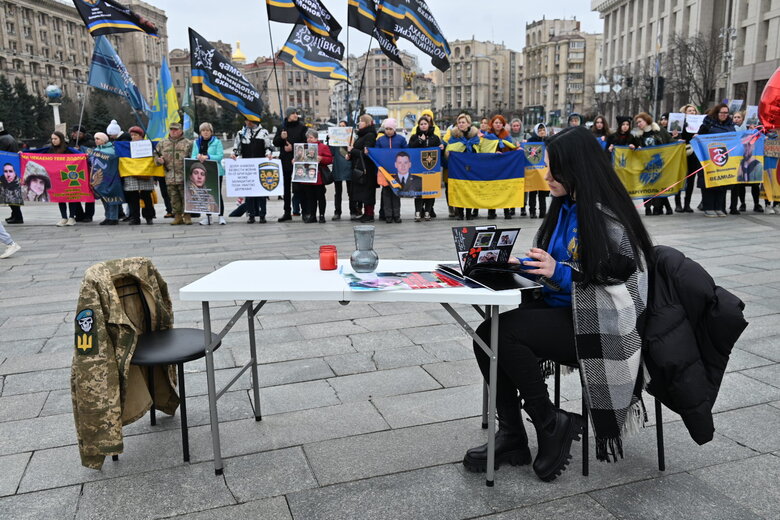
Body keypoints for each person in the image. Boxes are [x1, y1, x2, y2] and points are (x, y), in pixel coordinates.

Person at [463, 125, 654, 482]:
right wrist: (527, 266)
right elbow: (558, 267)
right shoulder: (566, 207)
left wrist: (559, 273)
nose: (546, 175)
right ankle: (513, 435)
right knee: (486, 336)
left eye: (554, 169)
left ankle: (551, 423)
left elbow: (619, 283)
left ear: (578, 170)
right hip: (566, 309)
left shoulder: (606, 216)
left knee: (503, 335)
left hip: (601, 324)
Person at [231, 118, 272, 224]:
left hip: (260, 165)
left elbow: (268, 147)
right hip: (247, 167)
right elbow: (237, 148)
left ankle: (262, 215)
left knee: (262, 193)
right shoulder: (241, 133)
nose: (248, 122)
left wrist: (268, 154)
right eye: (246, 120)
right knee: (249, 194)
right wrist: (234, 154)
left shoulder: (263, 132)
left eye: (250, 120)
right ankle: (251, 215)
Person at [634, 112, 674, 216]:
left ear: (646, 120)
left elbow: (670, 141)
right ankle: (647, 207)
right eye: (637, 123)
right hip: (646, 165)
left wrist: (678, 141)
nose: (638, 124)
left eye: (640, 122)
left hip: (659, 163)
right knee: (646, 186)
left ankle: (657, 207)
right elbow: (634, 148)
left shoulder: (659, 130)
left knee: (658, 185)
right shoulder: (638, 136)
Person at [698, 103, 734, 217]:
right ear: (716, 113)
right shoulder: (708, 124)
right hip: (709, 158)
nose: (724, 115)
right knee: (709, 183)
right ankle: (708, 207)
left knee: (722, 183)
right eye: (722, 112)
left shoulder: (730, 125)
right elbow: (700, 136)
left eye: (726, 113)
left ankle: (719, 207)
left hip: (724, 159)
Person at [444, 113, 482, 220]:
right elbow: (449, 149)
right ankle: (460, 213)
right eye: (459, 122)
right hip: (458, 168)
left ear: (468, 123)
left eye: (463, 122)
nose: (461, 124)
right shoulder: (454, 136)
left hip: (471, 167)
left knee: (469, 189)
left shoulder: (474, 136)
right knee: (459, 189)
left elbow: (478, 149)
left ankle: (469, 213)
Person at [273, 107, 308, 222]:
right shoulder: (282, 127)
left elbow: (306, 143)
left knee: (301, 187)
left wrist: (292, 148)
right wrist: (282, 138)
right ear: (288, 115)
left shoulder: (302, 127)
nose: (295, 115)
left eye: (296, 113)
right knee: (286, 188)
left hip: (299, 161)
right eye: (293, 113)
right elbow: (275, 142)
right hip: (286, 161)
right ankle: (287, 212)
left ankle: (305, 211)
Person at [155, 122, 193, 225]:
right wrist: (159, 161)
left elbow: (193, 159)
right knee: (173, 197)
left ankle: (187, 215)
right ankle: (177, 216)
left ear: (181, 131)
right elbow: (155, 158)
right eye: (172, 129)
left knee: (186, 196)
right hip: (170, 176)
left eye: (176, 129)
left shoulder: (188, 143)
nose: (173, 131)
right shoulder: (162, 143)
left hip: (184, 175)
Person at [41, 131, 83, 226]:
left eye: (55, 139)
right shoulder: (50, 150)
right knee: (60, 197)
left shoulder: (68, 149)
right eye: (52, 139)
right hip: (56, 178)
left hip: (68, 177)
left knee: (71, 196)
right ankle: (64, 217)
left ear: (61, 139)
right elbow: (39, 155)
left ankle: (72, 217)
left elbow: (79, 157)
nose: (53, 141)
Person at [481, 114, 517, 220]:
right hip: (491, 166)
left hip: (504, 166)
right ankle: (491, 212)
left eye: (500, 123)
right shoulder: (487, 136)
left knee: (504, 188)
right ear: (492, 124)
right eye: (496, 122)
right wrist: (493, 151)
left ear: (503, 125)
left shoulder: (507, 136)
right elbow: (484, 149)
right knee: (492, 189)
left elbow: (512, 148)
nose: (498, 125)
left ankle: (507, 211)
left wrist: (517, 149)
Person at [408, 115, 443, 222]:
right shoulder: (414, 137)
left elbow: (438, 152)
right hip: (418, 168)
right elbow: (410, 149)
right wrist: (420, 141)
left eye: (425, 124)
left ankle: (428, 211)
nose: (423, 126)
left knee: (430, 190)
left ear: (429, 125)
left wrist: (441, 147)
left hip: (430, 169)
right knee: (419, 191)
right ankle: (418, 211)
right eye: (421, 124)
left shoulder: (434, 138)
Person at [191, 122, 225, 225]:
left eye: (207, 130)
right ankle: (208, 216)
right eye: (203, 130)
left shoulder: (217, 142)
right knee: (204, 194)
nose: (205, 132)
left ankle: (221, 216)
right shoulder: (196, 142)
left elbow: (220, 156)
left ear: (211, 132)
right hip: (202, 172)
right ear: (200, 132)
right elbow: (192, 156)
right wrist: (197, 157)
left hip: (216, 171)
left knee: (217, 194)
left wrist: (208, 157)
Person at [347, 114, 378, 222]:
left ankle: (369, 214)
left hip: (367, 169)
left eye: (361, 121)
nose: (359, 123)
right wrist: (350, 155)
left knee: (367, 192)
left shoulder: (369, 135)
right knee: (362, 192)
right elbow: (359, 152)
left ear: (367, 123)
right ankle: (366, 213)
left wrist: (352, 150)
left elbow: (367, 154)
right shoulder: (362, 135)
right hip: (359, 167)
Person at [122, 126, 156, 225]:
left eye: (135, 135)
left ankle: (148, 217)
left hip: (144, 173)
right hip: (131, 174)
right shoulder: (127, 147)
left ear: (141, 136)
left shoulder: (147, 145)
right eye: (131, 135)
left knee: (146, 197)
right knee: (133, 198)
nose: (133, 137)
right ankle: (135, 218)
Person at [298, 128, 333, 223]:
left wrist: (321, 158)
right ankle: (312, 216)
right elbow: (298, 158)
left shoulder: (323, 147)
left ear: (316, 138)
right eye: (308, 138)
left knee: (320, 197)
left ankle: (322, 215)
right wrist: (294, 161)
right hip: (307, 177)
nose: (309, 140)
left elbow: (330, 159)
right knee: (310, 198)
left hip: (318, 177)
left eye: (311, 138)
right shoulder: (304, 147)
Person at [670, 104, 700, 213]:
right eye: (690, 111)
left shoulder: (699, 125)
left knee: (691, 179)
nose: (692, 112)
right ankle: (678, 204)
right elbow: (674, 137)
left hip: (694, 154)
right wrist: (676, 136)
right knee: (680, 178)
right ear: (685, 113)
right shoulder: (681, 124)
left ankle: (687, 204)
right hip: (682, 153)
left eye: (694, 111)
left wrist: (698, 134)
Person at [91, 132, 121, 226]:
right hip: (100, 178)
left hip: (111, 177)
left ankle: (114, 218)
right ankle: (107, 217)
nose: (96, 140)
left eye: (98, 139)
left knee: (112, 198)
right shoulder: (95, 150)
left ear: (104, 140)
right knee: (104, 198)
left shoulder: (111, 150)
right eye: (95, 138)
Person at [525, 123, 551, 219]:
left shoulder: (549, 141)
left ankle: (542, 212)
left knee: (542, 192)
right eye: (539, 130)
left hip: (544, 170)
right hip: (533, 171)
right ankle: (532, 211)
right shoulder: (531, 141)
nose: (542, 132)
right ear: (536, 131)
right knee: (532, 192)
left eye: (543, 130)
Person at [0, 122, 23, 224]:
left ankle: (17, 216)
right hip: (11, 168)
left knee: (10, 194)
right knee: (11, 193)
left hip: (7, 169)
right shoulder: (8, 137)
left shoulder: (2, 139)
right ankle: (15, 215)